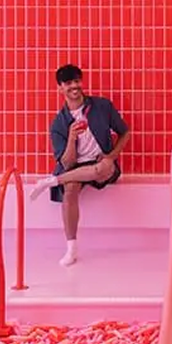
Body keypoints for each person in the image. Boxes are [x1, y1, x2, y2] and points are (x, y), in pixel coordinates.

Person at [47, 64, 128, 267]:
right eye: (68, 83)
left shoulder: (102, 106)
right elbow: (67, 162)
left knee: (103, 168)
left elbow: (125, 132)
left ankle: (55, 180)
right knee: (70, 191)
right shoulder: (59, 124)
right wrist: (71, 138)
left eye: (76, 81)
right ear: (60, 88)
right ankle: (71, 248)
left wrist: (111, 155)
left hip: (102, 162)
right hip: (77, 167)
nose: (74, 86)